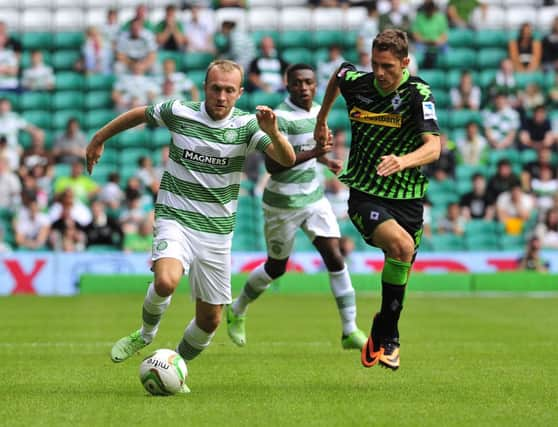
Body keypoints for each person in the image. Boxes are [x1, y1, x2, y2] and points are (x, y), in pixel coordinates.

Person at [85, 59, 295, 392]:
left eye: (229, 90)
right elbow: (140, 113)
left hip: (216, 232)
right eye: (216, 88)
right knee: (166, 281)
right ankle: (145, 334)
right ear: (204, 88)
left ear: (239, 92)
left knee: (210, 320)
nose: (221, 96)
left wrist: (273, 133)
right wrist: (100, 137)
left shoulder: (247, 126)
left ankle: (173, 365)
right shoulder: (180, 111)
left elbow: (287, 159)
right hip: (175, 217)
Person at [314, 29, 441, 371]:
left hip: (408, 197)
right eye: (375, 64)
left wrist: (403, 160)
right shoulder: (359, 82)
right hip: (366, 193)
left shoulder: (418, 94)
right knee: (400, 247)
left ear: (405, 63)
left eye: (387, 66)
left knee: (402, 265)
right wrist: (321, 118)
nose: (380, 73)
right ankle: (391, 341)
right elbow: (339, 74)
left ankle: (383, 328)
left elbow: (434, 146)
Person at [226, 64, 367, 351]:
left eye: (309, 82)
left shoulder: (318, 112)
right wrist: (317, 153)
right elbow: (274, 165)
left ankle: (350, 330)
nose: (304, 87)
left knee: (335, 257)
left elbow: (311, 152)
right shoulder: (281, 118)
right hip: (282, 205)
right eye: (297, 83)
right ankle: (237, 308)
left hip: (314, 199)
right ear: (287, 85)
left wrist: (325, 161)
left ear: (316, 86)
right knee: (276, 268)